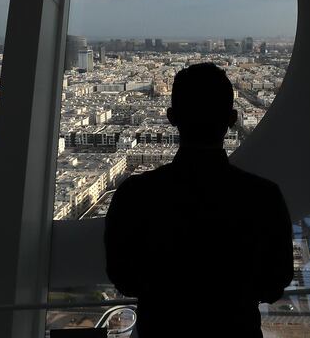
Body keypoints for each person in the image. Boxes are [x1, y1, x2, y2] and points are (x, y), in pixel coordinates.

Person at [105, 62, 293, 337]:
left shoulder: (135, 194)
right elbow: (275, 282)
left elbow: (122, 276)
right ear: (231, 119)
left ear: (171, 117)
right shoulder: (263, 197)